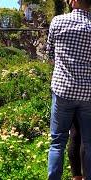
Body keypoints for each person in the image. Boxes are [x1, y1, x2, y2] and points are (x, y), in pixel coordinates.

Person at [46, 0, 91, 179]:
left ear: (73, 1)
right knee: (89, 143)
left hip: (63, 89)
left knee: (57, 142)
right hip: (88, 92)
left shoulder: (58, 21)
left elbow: (49, 52)